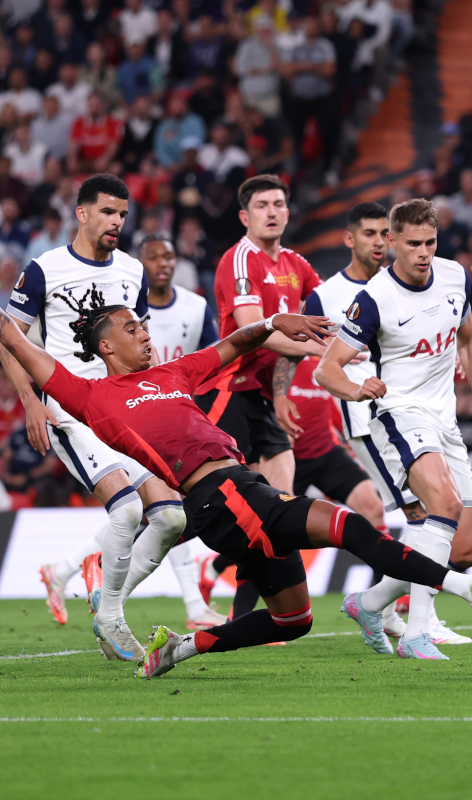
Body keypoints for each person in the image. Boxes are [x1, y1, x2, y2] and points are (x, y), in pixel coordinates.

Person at [0, 262, 472, 678]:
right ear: (106, 348)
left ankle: (180, 651)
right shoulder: (90, 397)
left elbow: (236, 342)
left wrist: (277, 323)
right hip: (219, 496)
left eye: (144, 325)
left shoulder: (172, 375)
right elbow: (19, 344)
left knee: (295, 619)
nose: (145, 333)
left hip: (235, 495)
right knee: (352, 528)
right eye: (132, 329)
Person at [317, 198, 472, 660]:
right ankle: (416, 633)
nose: (423, 252)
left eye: (430, 242)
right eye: (413, 244)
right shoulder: (374, 298)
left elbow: (467, 340)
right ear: (392, 243)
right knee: (442, 507)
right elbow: (326, 371)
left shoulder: (455, 276)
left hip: (444, 419)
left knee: (464, 548)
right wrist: (357, 389)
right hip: (399, 415)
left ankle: (369, 603)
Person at [8, 174, 185, 660]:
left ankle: (106, 599)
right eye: (108, 212)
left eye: (123, 215)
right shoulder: (45, 269)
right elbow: (11, 339)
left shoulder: (131, 270)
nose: (117, 223)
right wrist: (30, 400)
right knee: (127, 510)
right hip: (71, 408)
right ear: (82, 213)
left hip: (125, 406)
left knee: (171, 517)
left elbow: (138, 341)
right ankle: (111, 619)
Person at [48, 235, 227, 631]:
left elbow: (209, 362)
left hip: (164, 410)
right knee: (137, 508)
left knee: (167, 511)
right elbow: (23, 340)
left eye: (169, 256)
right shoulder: (113, 313)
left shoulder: (194, 307)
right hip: (110, 407)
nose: (162, 263)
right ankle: (187, 604)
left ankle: (67, 571)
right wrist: (30, 399)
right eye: (153, 257)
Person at [294, 203, 433, 640]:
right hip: (365, 416)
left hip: (412, 409)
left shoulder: (403, 287)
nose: (377, 242)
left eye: (382, 234)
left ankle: (386, 606)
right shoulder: (326, 295)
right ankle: (407, 617)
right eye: (369, 233)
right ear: (350, 239)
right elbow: (296, 344)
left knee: (394, 510)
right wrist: (282, 395)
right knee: (417, 510)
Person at [193, 175, 324, 624]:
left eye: (279, 204)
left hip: (264, 400)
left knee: (280, 504)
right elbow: (257, 330)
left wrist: (284, 390)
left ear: (288, 212)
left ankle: (241, 608)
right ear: (245, 217)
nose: (272, 211)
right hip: (228, 391)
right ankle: (117, 556)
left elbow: (327, 310)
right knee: (220, 509)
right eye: (262, 205)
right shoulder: (239, 259)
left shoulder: (296, 263)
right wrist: (325, 349)